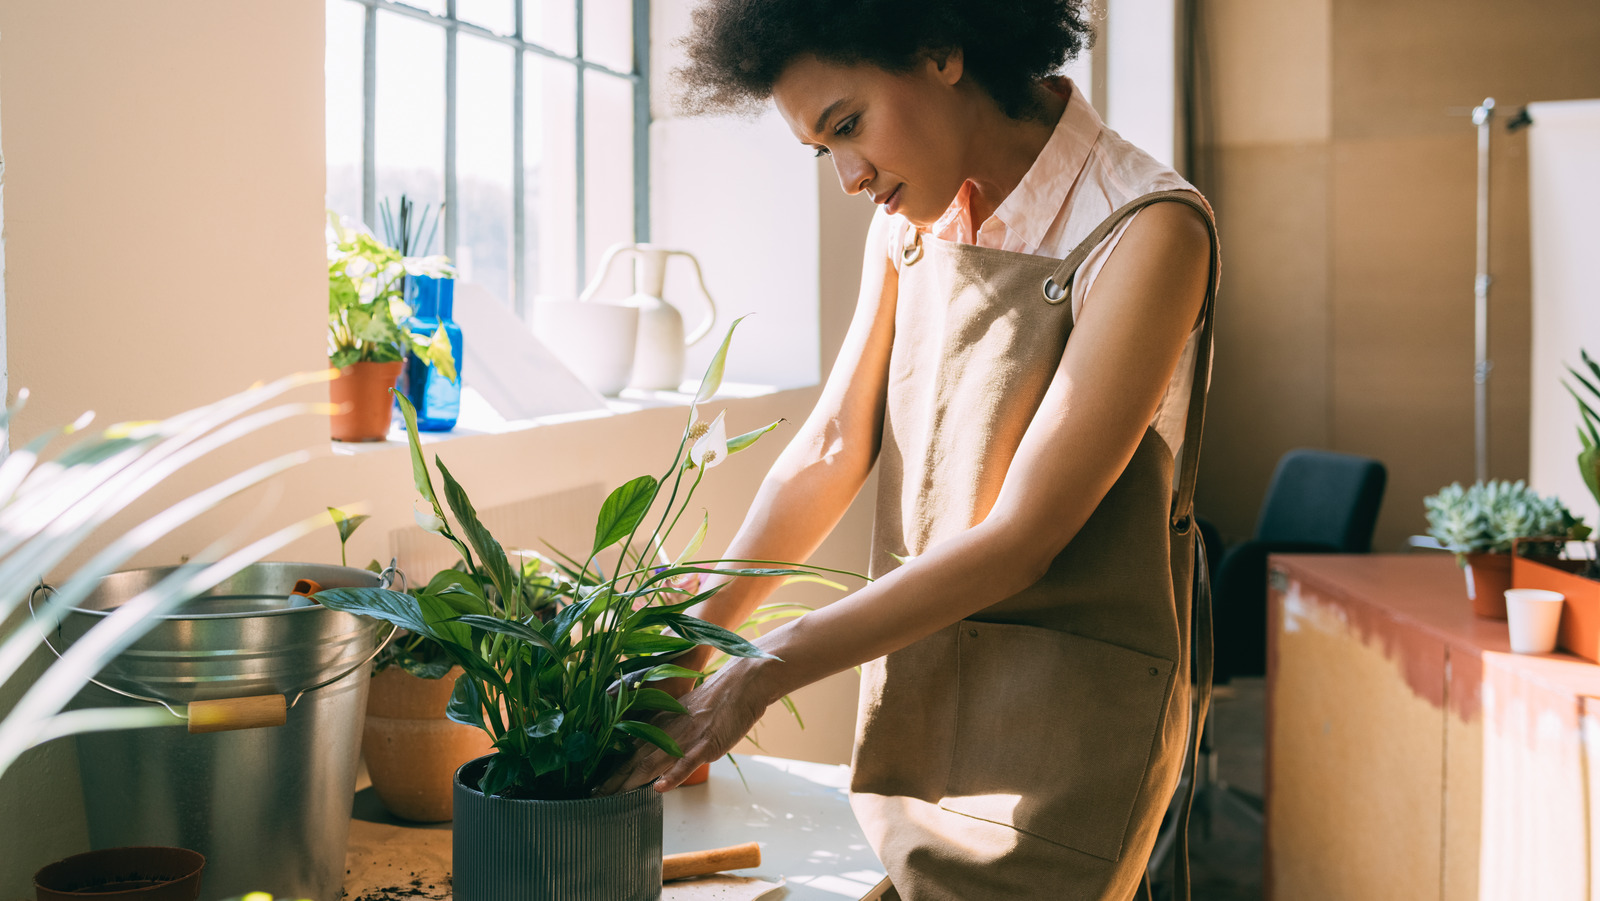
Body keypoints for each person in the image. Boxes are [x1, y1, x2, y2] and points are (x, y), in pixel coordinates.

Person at [611, 1, 1220, 898]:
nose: (849, 176)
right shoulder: (907, 230)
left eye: (848, 125)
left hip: (1064, 741)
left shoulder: (1146, 227)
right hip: (916, 709)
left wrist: (760, 672)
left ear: (940, 50)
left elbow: (1023, 537)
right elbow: (832, 443)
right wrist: (696, 639)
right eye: (822, 149)